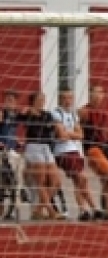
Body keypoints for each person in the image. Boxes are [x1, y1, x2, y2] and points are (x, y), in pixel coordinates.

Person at [78, 85, 108, 220]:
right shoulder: (84, 111)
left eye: (102, 93)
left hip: (102, 148)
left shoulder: (102, 113)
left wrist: (107, 144)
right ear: (90, 94)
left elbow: (101, 133)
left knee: (107, 180)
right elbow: (75, 122)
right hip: (91, 149)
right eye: (96, 92)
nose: (100, 95)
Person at [52, 88, 100, 221]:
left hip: (75, 151)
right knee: (81, 178)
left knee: (80, 181)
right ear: (60, 99)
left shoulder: (73, 115)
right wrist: (72, 134)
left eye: (70, 98)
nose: (68, 101)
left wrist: (70, 134)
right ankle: (88, 208)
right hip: (62, 151)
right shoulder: (56, 113)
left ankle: (89, 210)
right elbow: (61, 135)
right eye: (65, 98)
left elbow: (81, 135)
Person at [19, 91, 64, 221]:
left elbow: (52, 128)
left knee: (56, 181)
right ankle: (51, 211)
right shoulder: (28, 113)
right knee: (41, 181)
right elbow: (19, 120)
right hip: (34, 146)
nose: (42, 101)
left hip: (46, 147)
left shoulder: (47, 115)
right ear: (33, 101)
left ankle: (38, 210)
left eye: (43, 99)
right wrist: (26, 112)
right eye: (39, 99)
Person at [1, 90, 23, 219]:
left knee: (16, 182)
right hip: (2, 152)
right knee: (3, 181)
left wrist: (18, 142)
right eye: (7, 99)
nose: (10, 102)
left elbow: (12, 134)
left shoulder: (15, 115)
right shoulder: (2, 113)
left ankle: (11, 210)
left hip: (13, 151)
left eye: (12, 100)